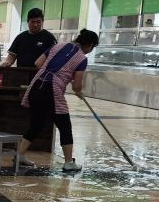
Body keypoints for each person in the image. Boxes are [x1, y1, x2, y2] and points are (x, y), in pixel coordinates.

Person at [17, 29, 99, 173]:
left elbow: (38, 63)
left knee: (37, 123)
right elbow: (77, 86)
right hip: (51, 91)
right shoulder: (81, 58)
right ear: (90, 45)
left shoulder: (58, 45)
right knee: (65, 126)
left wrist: (57, 73)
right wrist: (78, 91)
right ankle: (68, 162)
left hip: (36, 86)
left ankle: (19, 155)